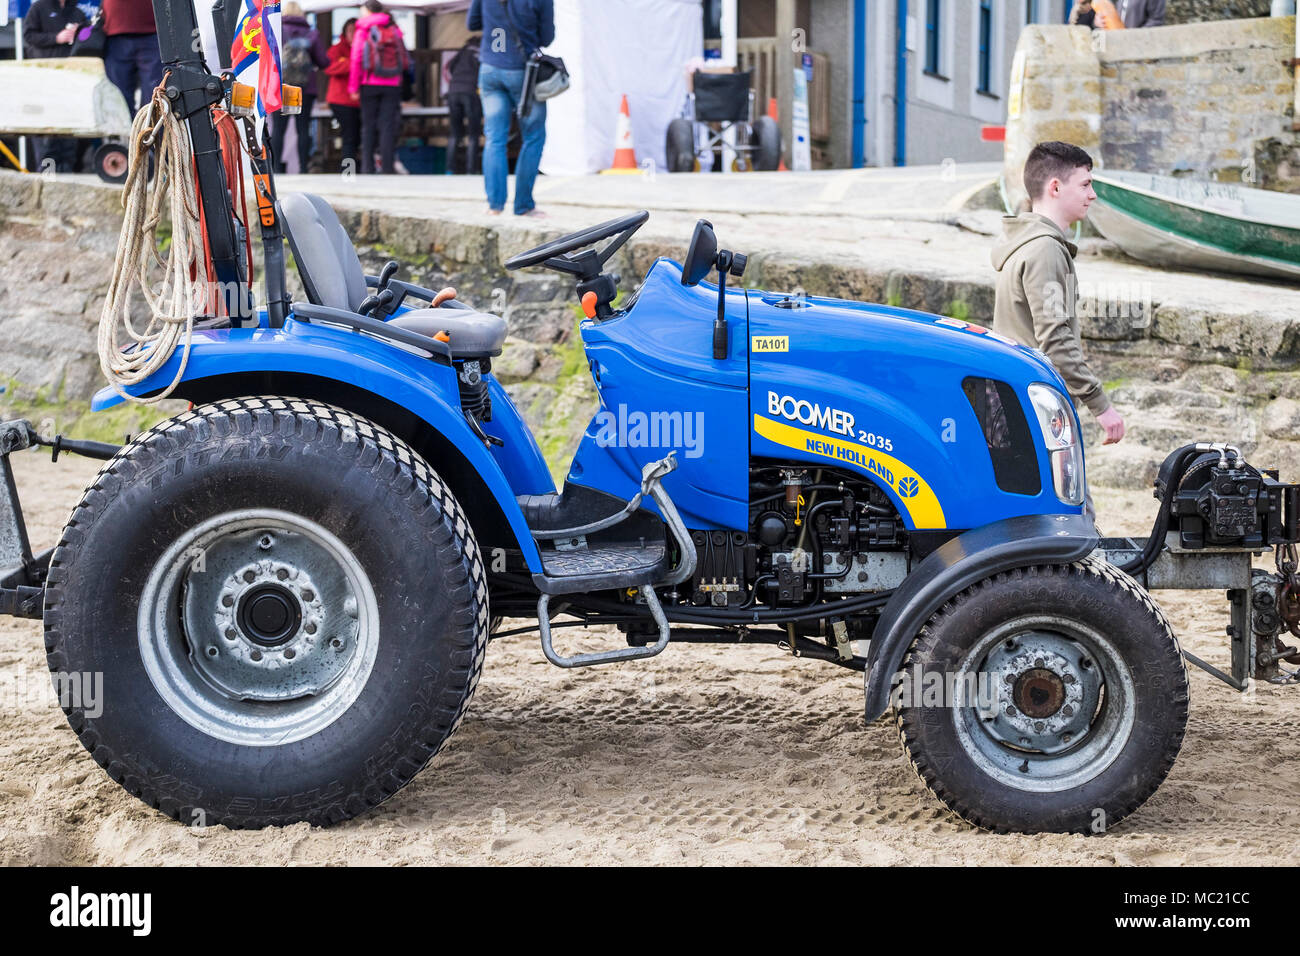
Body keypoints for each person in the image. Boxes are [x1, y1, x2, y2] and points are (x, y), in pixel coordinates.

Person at [992, 142, 1124, 514]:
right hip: (1038, 404)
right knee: (1075, 518)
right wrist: (1100, 404)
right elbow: (1054, 337)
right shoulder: (1045, 250)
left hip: (1018, 401)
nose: (1092, 194)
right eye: (1085, 184)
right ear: (1054, 187)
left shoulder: (1025, 244)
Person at [467, 0, 554, 216]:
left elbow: (472, 23)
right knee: (533, 137)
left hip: (489, 69)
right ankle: (523, 205)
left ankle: (494, 206)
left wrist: (496, 27)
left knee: (495, 138)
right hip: (522, 72)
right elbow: (546, 38)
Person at [23, 0, 89, 172]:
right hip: (44, 80)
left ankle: (67, 175)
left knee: (69, 133)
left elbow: (87, 38)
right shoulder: (38, 7)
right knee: (47, 134)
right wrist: (56, 38)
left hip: (71, 80)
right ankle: (47, 176)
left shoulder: (77, 12)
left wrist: (80, 32)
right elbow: (28, 36)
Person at [349, 0, 409, 175]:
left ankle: (367, 167)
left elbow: (356, 59)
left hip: (369, 83)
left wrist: (353, 87)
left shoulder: (363, 29)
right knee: (387, 126)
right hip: (392, 82)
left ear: (367, 11)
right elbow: (405, 57)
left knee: (368, 126)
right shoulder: (394, 28)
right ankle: (388, 168)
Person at [275, 1, 328, 174]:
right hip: (304, 87)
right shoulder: (311, 33)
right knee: (303, 128)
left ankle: (276, 169)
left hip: (280, 86)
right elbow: (323, 62)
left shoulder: (277, 30)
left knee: (278, 128)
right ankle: (303, 168)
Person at [101, 0, 163, 116]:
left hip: (153, 32)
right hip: (115, 34)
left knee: (155, 95)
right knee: (118, 96)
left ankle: (151, 132)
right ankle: (126, 132)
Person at [325, 17, 362, 173]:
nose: (353, 34)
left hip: (360, 101)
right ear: (344, 32)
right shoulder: (337, 48)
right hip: (341, 100)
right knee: (349, 137)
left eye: (356, 31)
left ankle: (354, 170)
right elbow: (329, 67)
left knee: (357, 137)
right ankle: (348, 172)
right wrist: (352, 62)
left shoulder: (364, 47)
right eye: (350, 30)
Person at [443, 35, 482, 175]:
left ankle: (450, 169)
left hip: (453, 91)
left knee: (454, 133)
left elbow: (450, 67)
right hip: (471, 92)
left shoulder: (463, 50)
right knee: (473, 134)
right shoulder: (482, 51)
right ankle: (471, 170)